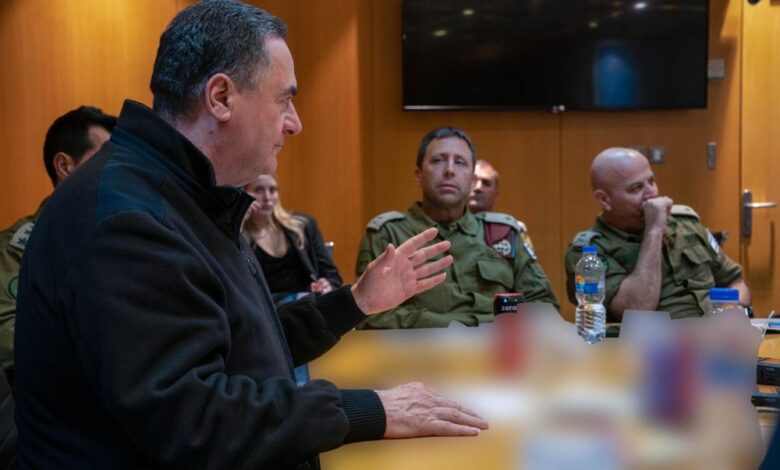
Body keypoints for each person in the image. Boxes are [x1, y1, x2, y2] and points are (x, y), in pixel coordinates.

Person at [14, 2, 488, 468]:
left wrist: (354, 302)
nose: (294, 123)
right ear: (221, 97)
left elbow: (241, 344)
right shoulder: (129, 221)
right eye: (284, 99)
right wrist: (373, 409)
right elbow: (193, 421)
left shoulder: (187, 195)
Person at [355, 127, 559, 329]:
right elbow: (369, 313)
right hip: (419, 348)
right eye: (438, 160)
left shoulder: (502, 234)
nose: (450, 170)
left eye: (460, 162)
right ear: (418, 175)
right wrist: (458, 328)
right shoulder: (388, 234)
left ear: (472, 181)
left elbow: (543, 304)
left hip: (497, 346)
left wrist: (503, 320)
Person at [564, 147, 751, 321]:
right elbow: (636, 310)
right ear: (604, 200)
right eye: (636, 188)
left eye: (651, 181)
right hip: (646, 343)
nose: (651, 194)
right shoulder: (587, 253)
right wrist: (654, 230)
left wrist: (733, 309)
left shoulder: (687, 225)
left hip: (715, 334)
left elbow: (735, 281)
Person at [0, 105, 115, 382]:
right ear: (64, 166)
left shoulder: (121, 239)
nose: (118, 173)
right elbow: (11, 342)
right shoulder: (15, 250)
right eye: (105, 159)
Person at [243, 174, 341, 303]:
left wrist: (327, 285)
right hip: (269, 310)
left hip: (308, 304)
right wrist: (240, 220)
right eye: (259, 190)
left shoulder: (303, 226)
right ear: (243, 194)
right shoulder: (238, 237)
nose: (267, 197)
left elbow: (332, 276)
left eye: (272, 190)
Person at [468, 158, 535, 250]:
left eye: (486, 183)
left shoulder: (512, 231)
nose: (478, 187)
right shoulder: (447, 227)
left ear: (495, 194)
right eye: (472, 181)